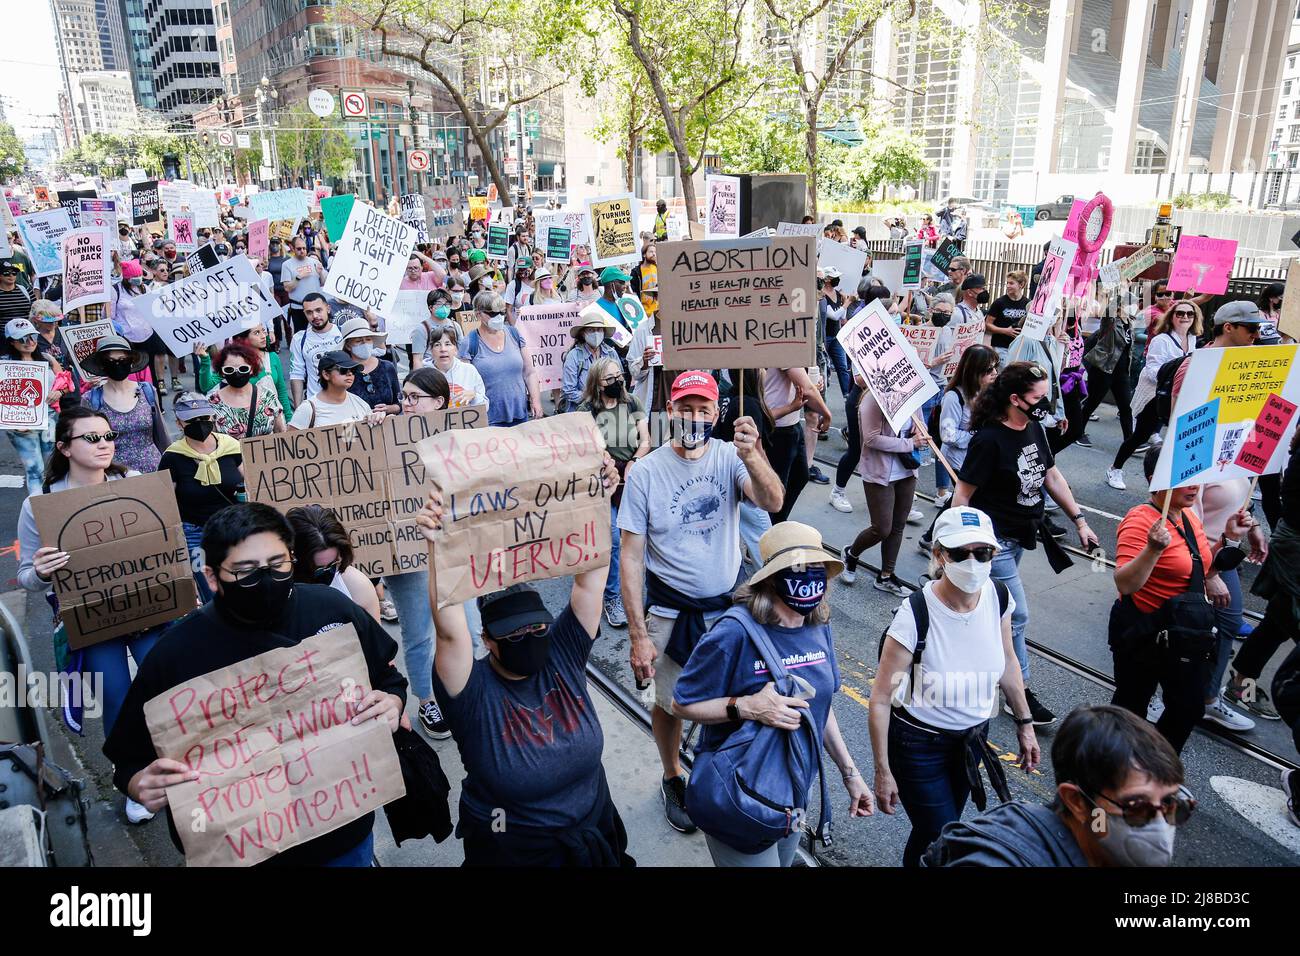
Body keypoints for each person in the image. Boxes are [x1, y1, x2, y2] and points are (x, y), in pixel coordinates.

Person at [103, 503, 407, 864]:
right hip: (243, 852)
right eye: (246, 572)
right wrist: (140, 784)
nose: (266, 580)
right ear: (213, 577)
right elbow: (128, 759)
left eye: (278, 565)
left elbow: (388, 677)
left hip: (342, 838)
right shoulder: (175, 655)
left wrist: (392, 701)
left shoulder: (331, 609)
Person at [414, 459, 637, 866]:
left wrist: (598, 500)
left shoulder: (563, 654)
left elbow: (590, 581)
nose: (528, 638)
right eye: (513, 635)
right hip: (514, 846)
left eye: (536, 628)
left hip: (592, 827)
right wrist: (435, 544)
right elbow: (448, 630)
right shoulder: (471, 690)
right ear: (487, 641)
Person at [619, 370, 784, 833]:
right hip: (670, 613)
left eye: (703, 410)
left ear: (717, 413)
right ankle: (673, 774)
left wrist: (753, 456)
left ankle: (722, 773)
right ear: (670, 412)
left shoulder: (733, 457)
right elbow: (630, 556)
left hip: (729, 611)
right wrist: (637, 634)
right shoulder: (646, 473)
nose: (693, 418)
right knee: (667, 700)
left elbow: (772, 500)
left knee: (737, 698)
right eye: (685, 409)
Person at [673, 522, 873, 866]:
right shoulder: (734, 632)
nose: (810, 577)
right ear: (770, 577)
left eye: (817, 568)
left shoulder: (817, 624)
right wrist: (746, 707)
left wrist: (850, 773)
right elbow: (682, 703)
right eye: (797, 569)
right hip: (741, 790)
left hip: (796, 785)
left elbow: (818, 709)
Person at [871, 507, 1040, 866]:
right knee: (945, 836)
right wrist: (882, 771)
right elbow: (882, 698)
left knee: (934, 835)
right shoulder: (915, 614)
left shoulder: (998, 596)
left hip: (972, 739)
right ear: (939, 555)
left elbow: (1009, 661)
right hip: (919, 745)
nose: (973, 562)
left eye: (983, 553)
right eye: (961, 553)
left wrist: (1025, 724)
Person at [18, 406, 161, 823]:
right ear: (63, 447)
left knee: (161, 679)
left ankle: (170, 757)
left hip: (149, 603)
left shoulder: (132, 482)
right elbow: (27, 574)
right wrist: (41, 572)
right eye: (91, 438)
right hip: (92, 615)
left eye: (108, 435)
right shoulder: (40, 504)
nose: (104, 444)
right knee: (116, 692)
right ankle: (133, 777)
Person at [952, 362, 1100, 726]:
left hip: (1020, 537)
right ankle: (1019, 691)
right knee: (1016, 615)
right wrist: (966, 544)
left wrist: (1079, 520)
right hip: (994, 542)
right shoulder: (988, 440)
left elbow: (1050, 474)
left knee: (991, 609)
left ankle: (963, 648)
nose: (1045, 403)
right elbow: (962, 495)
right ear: (1015, 399)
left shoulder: (1033, 427)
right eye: (1038, 398)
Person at [923, 705, 1192, 867]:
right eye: (1137, 806)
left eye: (1173, 803)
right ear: (1077, 802)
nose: (1160, 823)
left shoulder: (1104, 847)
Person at [1110, 448, 1253, 753]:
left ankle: (1156, 767)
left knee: (1188, 707)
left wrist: (1230, 539)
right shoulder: (1140, 521)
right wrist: (1151, 550)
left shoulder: (1188, 516)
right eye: (1185, 480)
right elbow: (1125, 582)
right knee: (1130, 709)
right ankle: (1113, 770)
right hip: (1145, 634)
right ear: (1155, 481)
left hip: (1181, 635)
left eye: (1196, 479)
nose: (1194, 486)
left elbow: (1200, 570)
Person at [1226, 427, 1300, 721]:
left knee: (1278, 621)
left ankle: (1240, 682)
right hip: (1295, 548)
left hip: (1291, 543)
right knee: (1284, 618)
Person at [578, 356, 649, 628]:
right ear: (597, 384)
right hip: (603, 477)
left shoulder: (632, 402)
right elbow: (586, 445)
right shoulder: (587, 409)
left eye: (619, 376)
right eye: (610, 379)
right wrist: (605, 460)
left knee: (637, 538)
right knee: (614, 541)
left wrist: (635, 461)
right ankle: (611, 597)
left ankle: (640, 594)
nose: (617, 381)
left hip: (632, 475)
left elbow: (646, 439)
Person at [839, 389, 927, 595]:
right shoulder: (872, 399)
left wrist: (919, 430)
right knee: (881, 528)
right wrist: (910, 443)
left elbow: (922, 425)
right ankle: (851, 554)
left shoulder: (912, 395)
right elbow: (871, 439)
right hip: (879, 472)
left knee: (898, 526)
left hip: (907, 469)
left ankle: (886, 575)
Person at [159, 393, 244, 603]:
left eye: (204, 418)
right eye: (191, 420)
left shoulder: (232, 447)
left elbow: (253, 482)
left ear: (212, 418)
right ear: (179, 423)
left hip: (233, 531)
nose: (200, 424)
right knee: (209, 591)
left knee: (240, 584)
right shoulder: (172, 457)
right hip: (195, 535)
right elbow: (164, 503)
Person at [919, 344, 1000, 548]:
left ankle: (930, 538)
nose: (994, 373)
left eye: (995, 368)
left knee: (958, 500)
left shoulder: (988, 393)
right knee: (968, 500)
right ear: (974, 371)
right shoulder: (953, 397)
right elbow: (948, 435)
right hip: (957, 460)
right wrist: (979, 437)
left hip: (977, 458)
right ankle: (951, 541)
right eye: (989, 370)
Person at [80, 336, 168, 474]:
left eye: (123, 360)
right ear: (102, 365)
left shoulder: (147, 391)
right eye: (110, 361)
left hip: (153, 470)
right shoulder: (91, 399)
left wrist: (173, 467)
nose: (117, 364)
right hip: (114, 474)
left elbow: (162, 434)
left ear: (131, 362)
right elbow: (86, 443)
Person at [287, 504, 382, 622]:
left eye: (333, 564)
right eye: (317, 568)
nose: (327, 572)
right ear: (292, 556)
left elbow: (375, 638)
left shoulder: (357, 586)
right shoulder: (277, 591)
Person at [459, 290, 542, 425]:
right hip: (488, 420)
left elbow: (529, 372)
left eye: (502, 312)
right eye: (492, 313)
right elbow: (465, 384)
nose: (498, 317)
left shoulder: (514, 334)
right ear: (478, 314)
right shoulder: (469, 343)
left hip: (520, 415)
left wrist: (536, 400)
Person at [3, 317, 66, 493]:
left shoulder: (47, 358)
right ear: (12, 342)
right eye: (23, 338)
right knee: (34, 469)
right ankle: (36, 510)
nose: (30, 342)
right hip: (21, 424)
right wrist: (12, 420)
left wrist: (59, 392)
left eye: (33, 336)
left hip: (50, 420)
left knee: (52, 466)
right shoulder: (4, 364)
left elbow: (65, 382)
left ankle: (55, 504)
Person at [763, 365, 832, 524]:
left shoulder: (792, 349)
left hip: (790, 423)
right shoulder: (784, 345)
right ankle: (769, 530)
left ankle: (776, 523)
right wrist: (826, 414)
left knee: (800, 476)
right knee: (777, 490)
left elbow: (804, 385)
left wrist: (812, 381)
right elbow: (806, 389)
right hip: (778, 429)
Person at [199, 316, 292, 417]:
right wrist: (205, 359)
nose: (263, 336)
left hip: (273, 420)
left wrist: (288, 418)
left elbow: (281, 391)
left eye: (263, 331)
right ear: (242, 338)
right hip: (241, 422)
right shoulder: (233, 361)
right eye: (256, 333)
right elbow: (206, 386)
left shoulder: (272, 357)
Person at [1079, 296, 1137, 450]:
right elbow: (1108, 313)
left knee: (1126, 407)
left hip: (1121, 373)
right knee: (1092, 402)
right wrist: (1121, 290)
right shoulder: (1110, 323)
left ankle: (1129, 441)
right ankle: (1077, 432)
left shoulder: (1129, 324)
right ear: (1118, 308)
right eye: (1128, 305)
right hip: (1104, 369)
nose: (1133, 307)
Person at [203, 340, 286, 438]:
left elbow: (281, 433)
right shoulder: (212, 403)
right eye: (229, 369)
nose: (237, 374)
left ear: (251, 369)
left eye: (243, 369)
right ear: (221, 372)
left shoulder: (268, 397)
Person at [289, 293, 344, 406]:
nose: (315, 316)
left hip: (344, 402)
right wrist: (299, 408)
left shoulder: (343, 333)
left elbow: (378, 351)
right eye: (309, 312)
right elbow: (296, 374)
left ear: (328, 309)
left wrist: (373, 324)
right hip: (315, 404)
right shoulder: (299, 339)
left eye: (318, 310)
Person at [339, 316, 400, 416]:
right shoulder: (343, 372)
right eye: (359, 341)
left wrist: (389, 409)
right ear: (348, 346)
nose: (365, 343)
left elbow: (399, 402)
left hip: (388, 426)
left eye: (368, 339)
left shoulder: (387, 367)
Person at [561, 312, 621, 413]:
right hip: (581, 411)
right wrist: (594, 395)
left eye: (599, 330)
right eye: (591, 330)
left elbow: (619, 380)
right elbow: (569, 391)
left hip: (608, 409)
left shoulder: (611, 353)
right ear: (583, 333)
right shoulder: (574, 356)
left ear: (603, 332)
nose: (596, 333)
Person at [281, 235, 327, 333]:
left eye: (304, 248)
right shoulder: (287, 265)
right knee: (301, 334)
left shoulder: (314, 262)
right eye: (299, 249)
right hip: (298, 308)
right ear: (292, 248)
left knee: (320, 333)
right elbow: (287, 288)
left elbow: (323, 283)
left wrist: (321, 274)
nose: (302, 251)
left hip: (316, 307)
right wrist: (298, 277)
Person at [985, 271, 1028, 362]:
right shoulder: (999, 302)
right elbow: (987, 324)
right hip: (1001, 347)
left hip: (1020, 347)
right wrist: (1005, 331)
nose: (1008, 286)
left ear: (1021, 284)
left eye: (1011, 283)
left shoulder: (1028, 304)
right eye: (1007, 283)